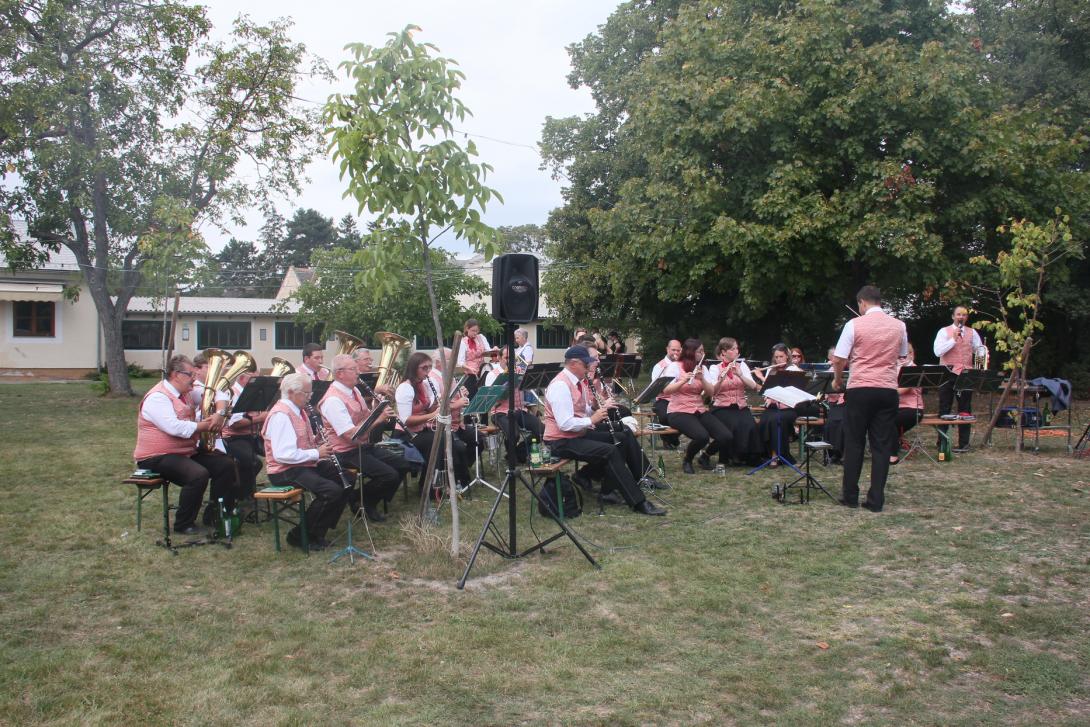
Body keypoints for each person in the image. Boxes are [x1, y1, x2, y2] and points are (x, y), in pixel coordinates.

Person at [542, 346, 666, 516]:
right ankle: (638, 502)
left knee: (621, 438)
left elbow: (582, 410)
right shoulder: (561, 385)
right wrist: (592, 419)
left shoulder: (575, 382)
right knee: (610, 450)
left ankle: (608, 490)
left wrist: (596, 409)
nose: (588, 368)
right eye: (586, 364)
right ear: (574, 363)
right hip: (559, 441)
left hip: (576, 434)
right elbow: (564, 424)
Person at [133, 355, 238, 534]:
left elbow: (217, 394)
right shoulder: (157, 397)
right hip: (155, 456)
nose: (194, 378)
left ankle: (215, 513)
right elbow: (175, 428)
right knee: (197, 475)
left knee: (226, 464)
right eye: (190, 374)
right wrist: (206, 425)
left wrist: (220, 413)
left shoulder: (186, 393)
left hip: (182, 452)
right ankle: (183, 524)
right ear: (175, 375)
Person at [832, 285, 908, 513]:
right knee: (882, 445)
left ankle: (850, 496)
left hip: (860, 388)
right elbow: (902, 355)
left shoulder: (854, 324)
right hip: (886, 389)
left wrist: (837, 381)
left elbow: (839, 359)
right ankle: (876, 499)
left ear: (862, 303)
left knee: (855, 442)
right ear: (880, 302)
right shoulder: (899, 326)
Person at [263, 372, 347, 550]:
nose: (310, 398)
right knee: (331, 491)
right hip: (284, 471)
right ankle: (300, 535)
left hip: (302, 464)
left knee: (346, 478)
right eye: (307, 394)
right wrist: (316, 453)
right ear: (292, 392)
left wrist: (316, 441)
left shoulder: (298, 411)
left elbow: (300, 442)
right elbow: (283, 455)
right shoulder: (281, 416)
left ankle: (318, 530)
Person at [319, 354, 405, 522]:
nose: (358, 371)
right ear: (340, 373)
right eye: (353, 369)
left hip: (362, 446)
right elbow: (351, 435)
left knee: (402, 465)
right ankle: (364, 501)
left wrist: (378, 406)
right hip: (344, 452)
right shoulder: (333, 400)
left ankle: (360, 497)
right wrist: (379, 418)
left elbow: (366, 416)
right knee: (389, 475)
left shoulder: (355, 390)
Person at [395, 351, 470, 491]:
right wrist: (433, 415)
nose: (428, 371)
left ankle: (447, 482)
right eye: (424, 368)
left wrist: (438, 403)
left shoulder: (424, 385)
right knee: (439, 440)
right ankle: (428, 487)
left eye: (429, 367)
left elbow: (430, 410)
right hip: (406, 434)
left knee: (445, 439)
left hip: (421, 430)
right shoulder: (405, 388)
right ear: (413, 368)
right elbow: (406, 420)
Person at [662, 338, 731, 475]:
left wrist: (702, 379)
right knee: (702, 436)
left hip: (698, 409)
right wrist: (683, 380)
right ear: (690, 352)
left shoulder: (703, 368)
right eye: (700, 351)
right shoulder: (675, 366)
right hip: (678, 411)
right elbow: (666, 390)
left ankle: (705, 456)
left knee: (725, 436)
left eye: (703, 351)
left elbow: (711, 392)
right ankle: (687, 459)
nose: (703, 353)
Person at [933, 305, 987, 452]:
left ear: (967, 317)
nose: (961, 317)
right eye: (958, 314)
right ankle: (942, 443)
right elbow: (938, 352)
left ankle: (964, 444)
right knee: (945, 407)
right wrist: (953, 339)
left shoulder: (972, 332)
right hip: (947, 372)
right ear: (953, 316)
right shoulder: (944, 332)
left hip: (966, 373)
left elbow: (980, 351)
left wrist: (980, 368)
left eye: (964, 315)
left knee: (965, 409)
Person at [707, 337, 762, 466]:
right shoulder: (715, 368)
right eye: (733, 349)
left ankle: (746, 457)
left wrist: (740, 375)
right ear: (723, 352)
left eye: (737, 348)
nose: (737, 351)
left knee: (750, 425)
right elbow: (713, 392)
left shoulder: (742, 366)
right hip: (721, 407)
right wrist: (722, 378)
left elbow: (753, 386)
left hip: (740, 406)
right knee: (733, 424)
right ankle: (731, 456)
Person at [221, 368, 266, 499]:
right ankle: (237, 495)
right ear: (241, 378)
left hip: (250, 436)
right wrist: (260, 418)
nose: (257, 382)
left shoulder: (251, 393)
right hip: (233, 438)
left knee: (276, 451)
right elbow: (234, 423)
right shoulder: (232, 394)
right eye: (254, 379)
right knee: (253, 463)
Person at [754, 344, 799, 466]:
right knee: (765, 420)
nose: (779, 359)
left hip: (789, 407)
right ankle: (768, 453)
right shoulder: (771, 369)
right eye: (776, 357)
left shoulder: (793, 369)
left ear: (787, 357)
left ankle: (776, 455)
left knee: (775, 420)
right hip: (773, 406)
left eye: (781, 356)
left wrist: (761, 377)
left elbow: (785, 390)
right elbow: (768, 390)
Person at [892, 343, 924, 465]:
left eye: (907, 354)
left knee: (890, 421)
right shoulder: (894, 369)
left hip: (913, 409)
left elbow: (901, 391)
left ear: (912, 354)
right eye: (900, 355)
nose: (903, 358)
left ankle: (892, 453)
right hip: (897, 408)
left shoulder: (913, 370)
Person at [650, 339, 682, 449]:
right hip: (664, 398)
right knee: (665, 416)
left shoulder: (682, 365)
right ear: (667, 349)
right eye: (673, 350)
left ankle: (672, 438)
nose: (676, 353)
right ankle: (668, 439)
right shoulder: (659, 366)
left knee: (687, 416)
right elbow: (655, 388)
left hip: (680, 398)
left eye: (678, 350)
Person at [456, 318, 492, 398]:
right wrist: (470, 368)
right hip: (470, 374)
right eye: (473, 330)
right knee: (472, 397)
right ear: (467, 329)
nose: (475, 333)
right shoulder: (463, 342)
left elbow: (488, 350)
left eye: (477, 331)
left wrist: (494, 351)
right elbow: (460, 362)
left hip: (482, 372)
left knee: (483, 397)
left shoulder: (481, 337)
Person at [823, 346, 846, 464]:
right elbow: (825, 390)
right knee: (831, 423)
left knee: (843, 422)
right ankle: (832, 453)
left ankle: (842, 452)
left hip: (848, 402)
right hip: (834, 404)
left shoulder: (848, 369)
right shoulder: (829, 371)